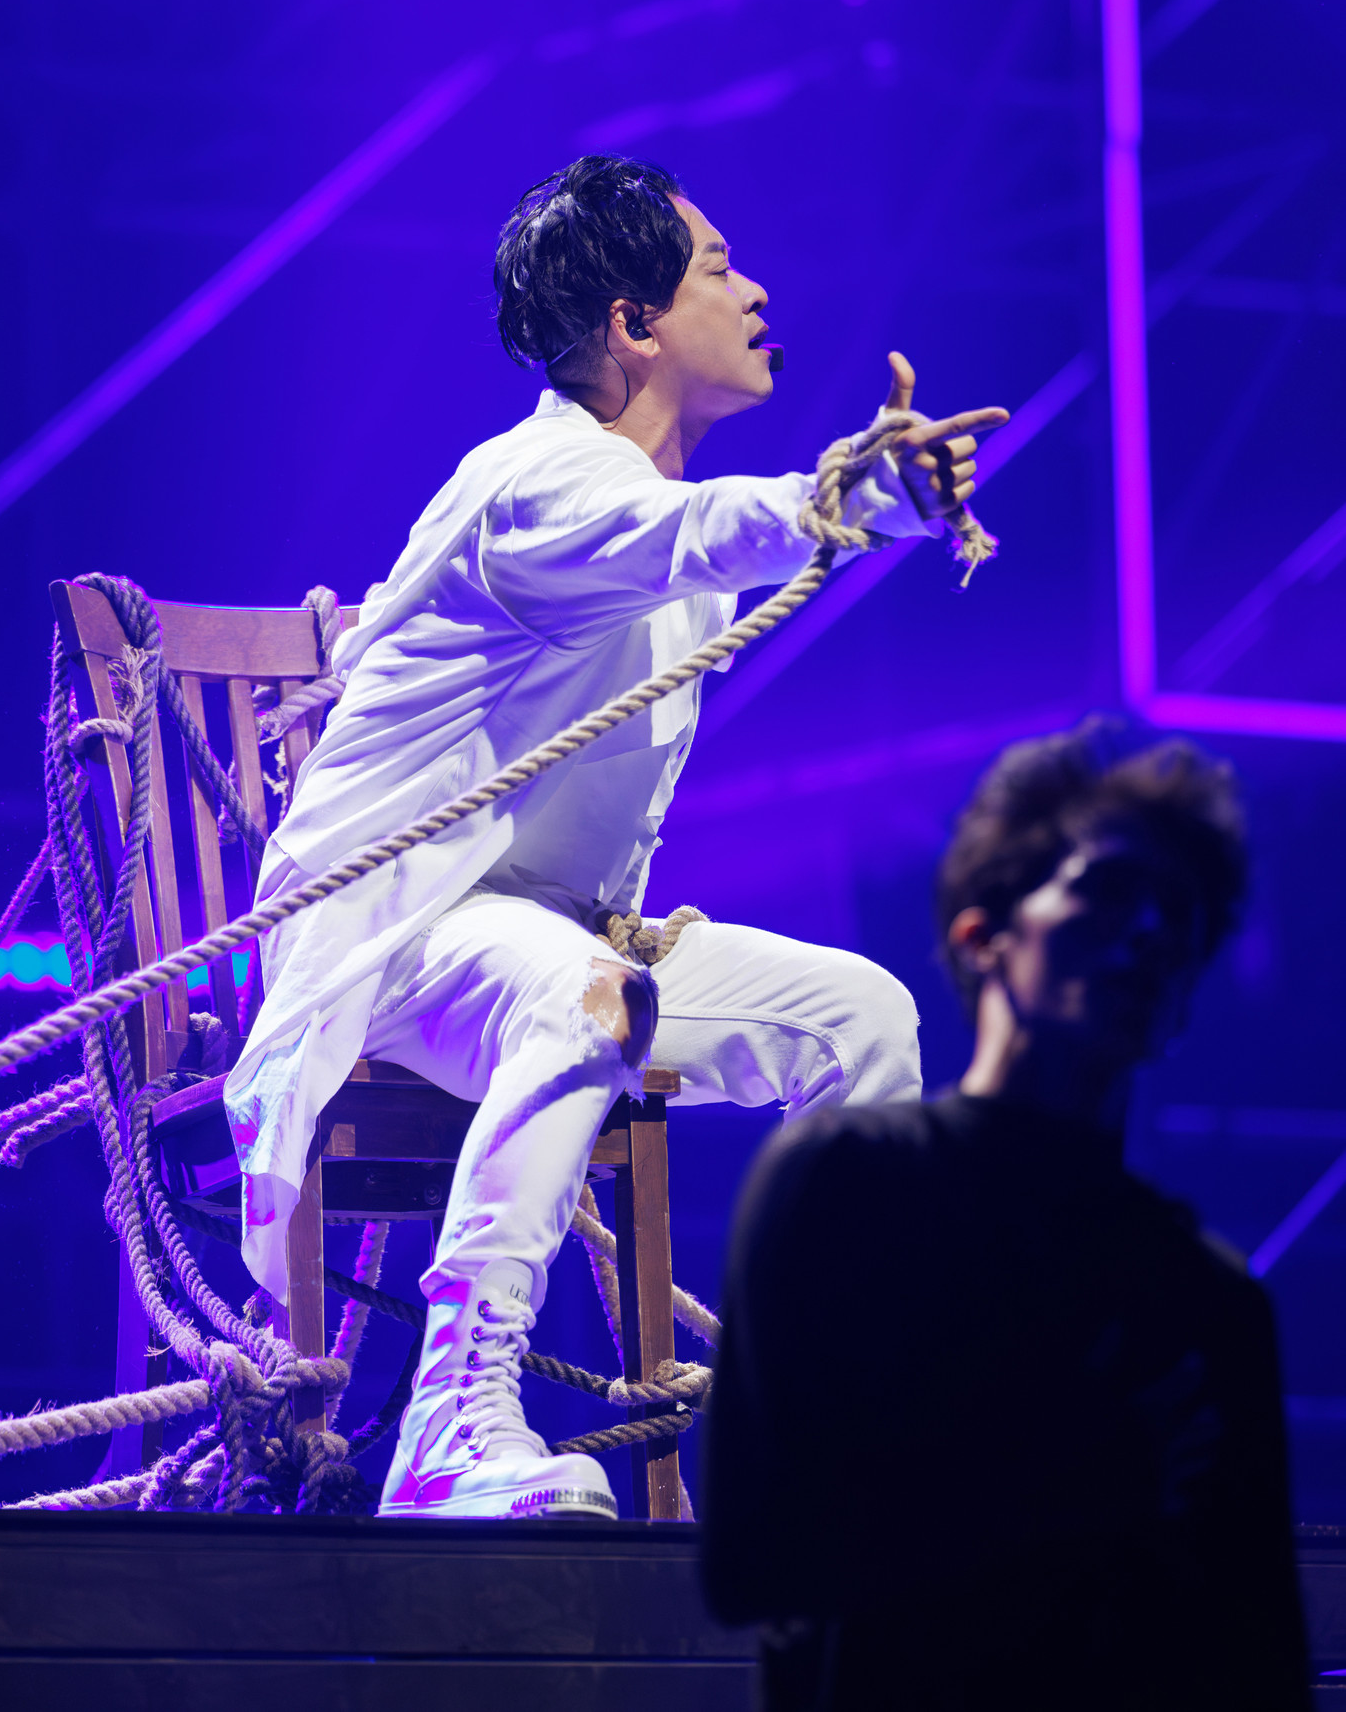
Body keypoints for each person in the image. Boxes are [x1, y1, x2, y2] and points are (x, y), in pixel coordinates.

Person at [224, 153, 1008, 1521]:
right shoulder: (539, 486)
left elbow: (680, 541)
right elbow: (691, 535)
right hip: (390, 938)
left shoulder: (634, 507)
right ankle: (452, 1426)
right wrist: (865, 495)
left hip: (543, 939)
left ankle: (837, 1434)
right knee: (590, 995)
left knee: (862, 1018)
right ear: (632, 323)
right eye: (718, 269)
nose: (756, 293)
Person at [701, 723, 1309, 1708]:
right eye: (1108, 889)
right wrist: (1080, 1475)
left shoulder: (1209, 1300)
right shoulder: (844, 1186)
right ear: (983, 935)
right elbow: (751, 1561)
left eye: (1179, 912)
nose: (1150, 932)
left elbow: (1258, 1664)